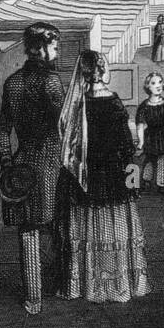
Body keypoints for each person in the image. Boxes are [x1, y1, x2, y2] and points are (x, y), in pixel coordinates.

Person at [56, 51, 151, 302]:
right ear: (101, 71)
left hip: (86, 176)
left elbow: (72, 147)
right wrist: (132, 178)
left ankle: (87, 286)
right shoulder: (113, 101)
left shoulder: (78, 104)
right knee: (114, 226)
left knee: (88, 227)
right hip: (111, 174)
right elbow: (126, 146)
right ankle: (117, 285)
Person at [0, 23, 65, 313]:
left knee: (28, 230)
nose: (57, 52)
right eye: (54, 46)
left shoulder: (12, 82)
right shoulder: (51, 82)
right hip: (50, 162)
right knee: (58, 224)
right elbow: (65, 126)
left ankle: (33, 298)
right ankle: (63, 286)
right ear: (40, 48)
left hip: (23, 164)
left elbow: (2, 131)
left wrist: (9, 165)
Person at [135, 72, 164, 192]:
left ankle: (162, 184)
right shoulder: (144, 106)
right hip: (150, 136)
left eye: (160, 82)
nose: (158, 85)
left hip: (163, 135)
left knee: (163, 159)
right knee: (149, 159)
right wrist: (141, 142)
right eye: (153, 83)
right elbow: (140, 124)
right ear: (148, 86)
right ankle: (146, 180)